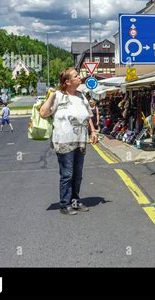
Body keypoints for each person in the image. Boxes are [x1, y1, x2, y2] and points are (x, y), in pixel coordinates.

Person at [40, 68, 98, 216]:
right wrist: (51, 96)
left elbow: (88, 116)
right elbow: (43, 113)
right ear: (67, 82)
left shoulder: (81, 96)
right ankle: (64, 205)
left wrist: (93, 131)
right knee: (67, 173)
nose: (80, 77)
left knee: (78, 174)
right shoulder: (58, 96)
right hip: (64, 140)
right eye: (76, 76)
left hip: (80, 140)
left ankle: (75, 201)